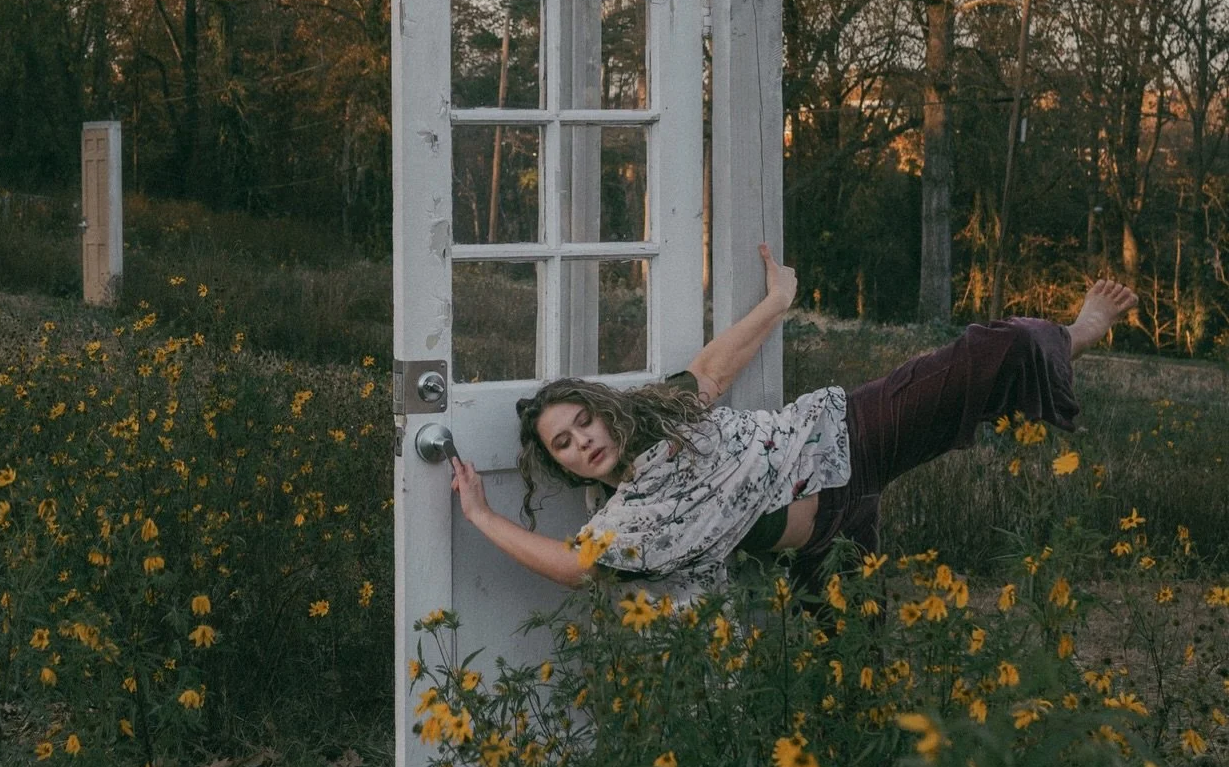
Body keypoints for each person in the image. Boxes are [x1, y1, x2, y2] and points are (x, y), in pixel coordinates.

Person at [448, 246, 1137, 607]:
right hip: (823, 544)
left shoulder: (661, 416)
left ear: (605, 410)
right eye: (564, 444)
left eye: (583, 422)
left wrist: (778, 301)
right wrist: (480, 517)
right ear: (564, 466)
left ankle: (1075, 335)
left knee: (985, 354)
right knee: (847, 688)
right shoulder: (631, 520)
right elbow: (574, 567)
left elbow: (712, 370)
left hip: (850, 434)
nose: (583, 442)